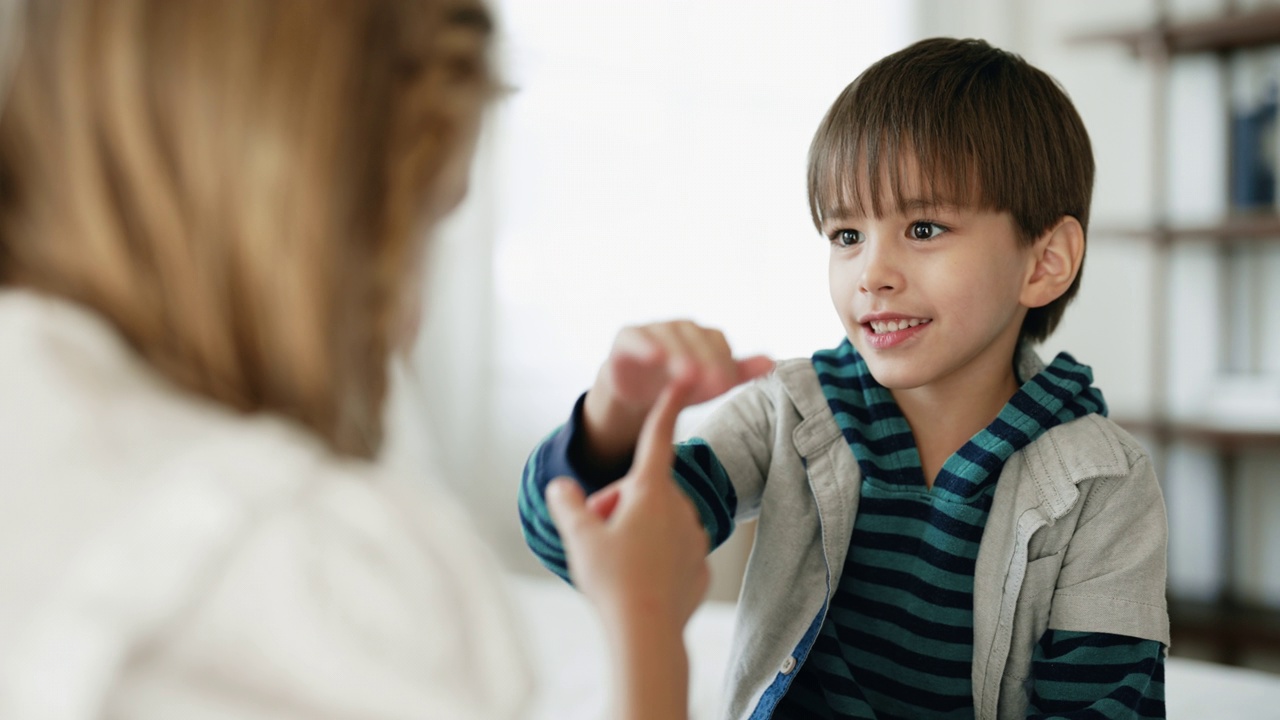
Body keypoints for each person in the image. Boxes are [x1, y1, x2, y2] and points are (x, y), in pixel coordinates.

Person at [0, 1, 711, 718]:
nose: (414, 319)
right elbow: (590, 519)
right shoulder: (304, 566)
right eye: (428, 220)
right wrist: (610, 439)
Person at [519, 37, 1169, 720]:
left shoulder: (1104, 484)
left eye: (923, 227)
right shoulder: (794, 410)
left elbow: (1107, 707)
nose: (872, 274)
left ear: (1045, 262)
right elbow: (595, 552)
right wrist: (613, 413)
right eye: (846, 235)